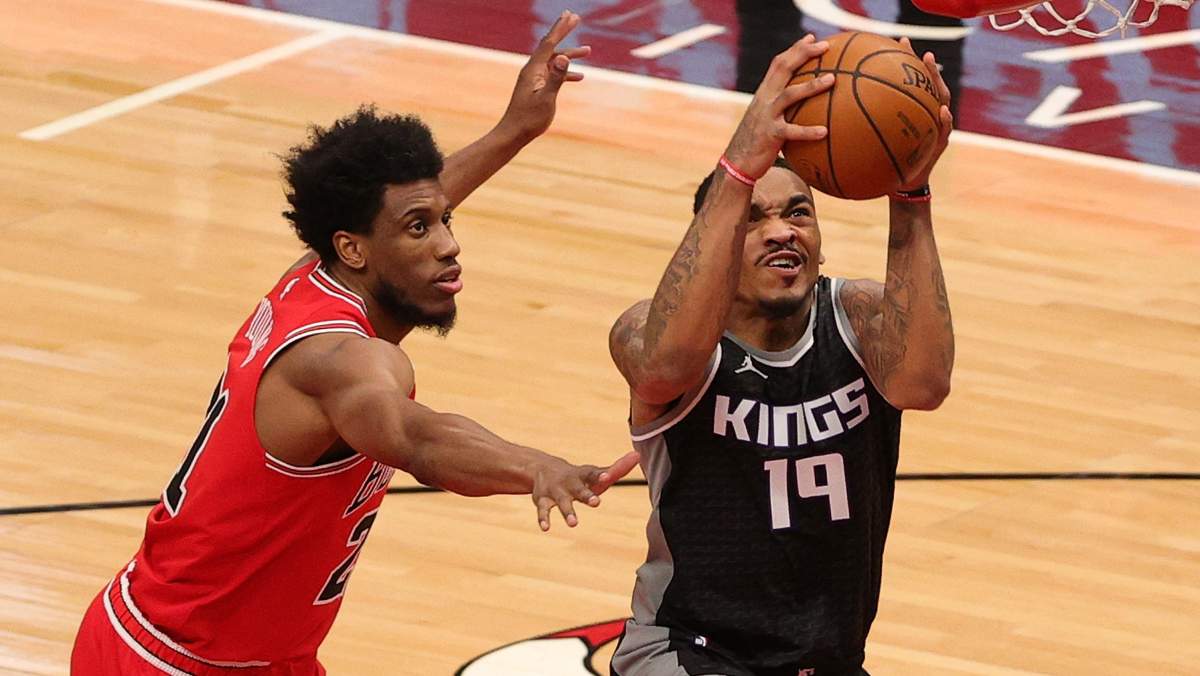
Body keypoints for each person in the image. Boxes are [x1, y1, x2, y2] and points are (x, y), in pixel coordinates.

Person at [70, 12, 638, 675]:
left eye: (446, 220)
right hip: (171, 660)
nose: (449, 245)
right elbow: (422, 439)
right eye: (422, 229)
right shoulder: (343, 361)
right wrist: (535, 466)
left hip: (262, 657)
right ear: (354, 249)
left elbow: (395, 209)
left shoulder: (315, 276)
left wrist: (515, 129)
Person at [607, 35, 955, 676]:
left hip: (827, 660)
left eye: (799, 213)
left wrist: (910, 193)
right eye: (754, 218)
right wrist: (738, 166)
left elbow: (924, 385)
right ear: (717, 241)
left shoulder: (858, 318)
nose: (782, 231)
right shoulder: (650, 331)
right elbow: (663, 370)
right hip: (689, 648)